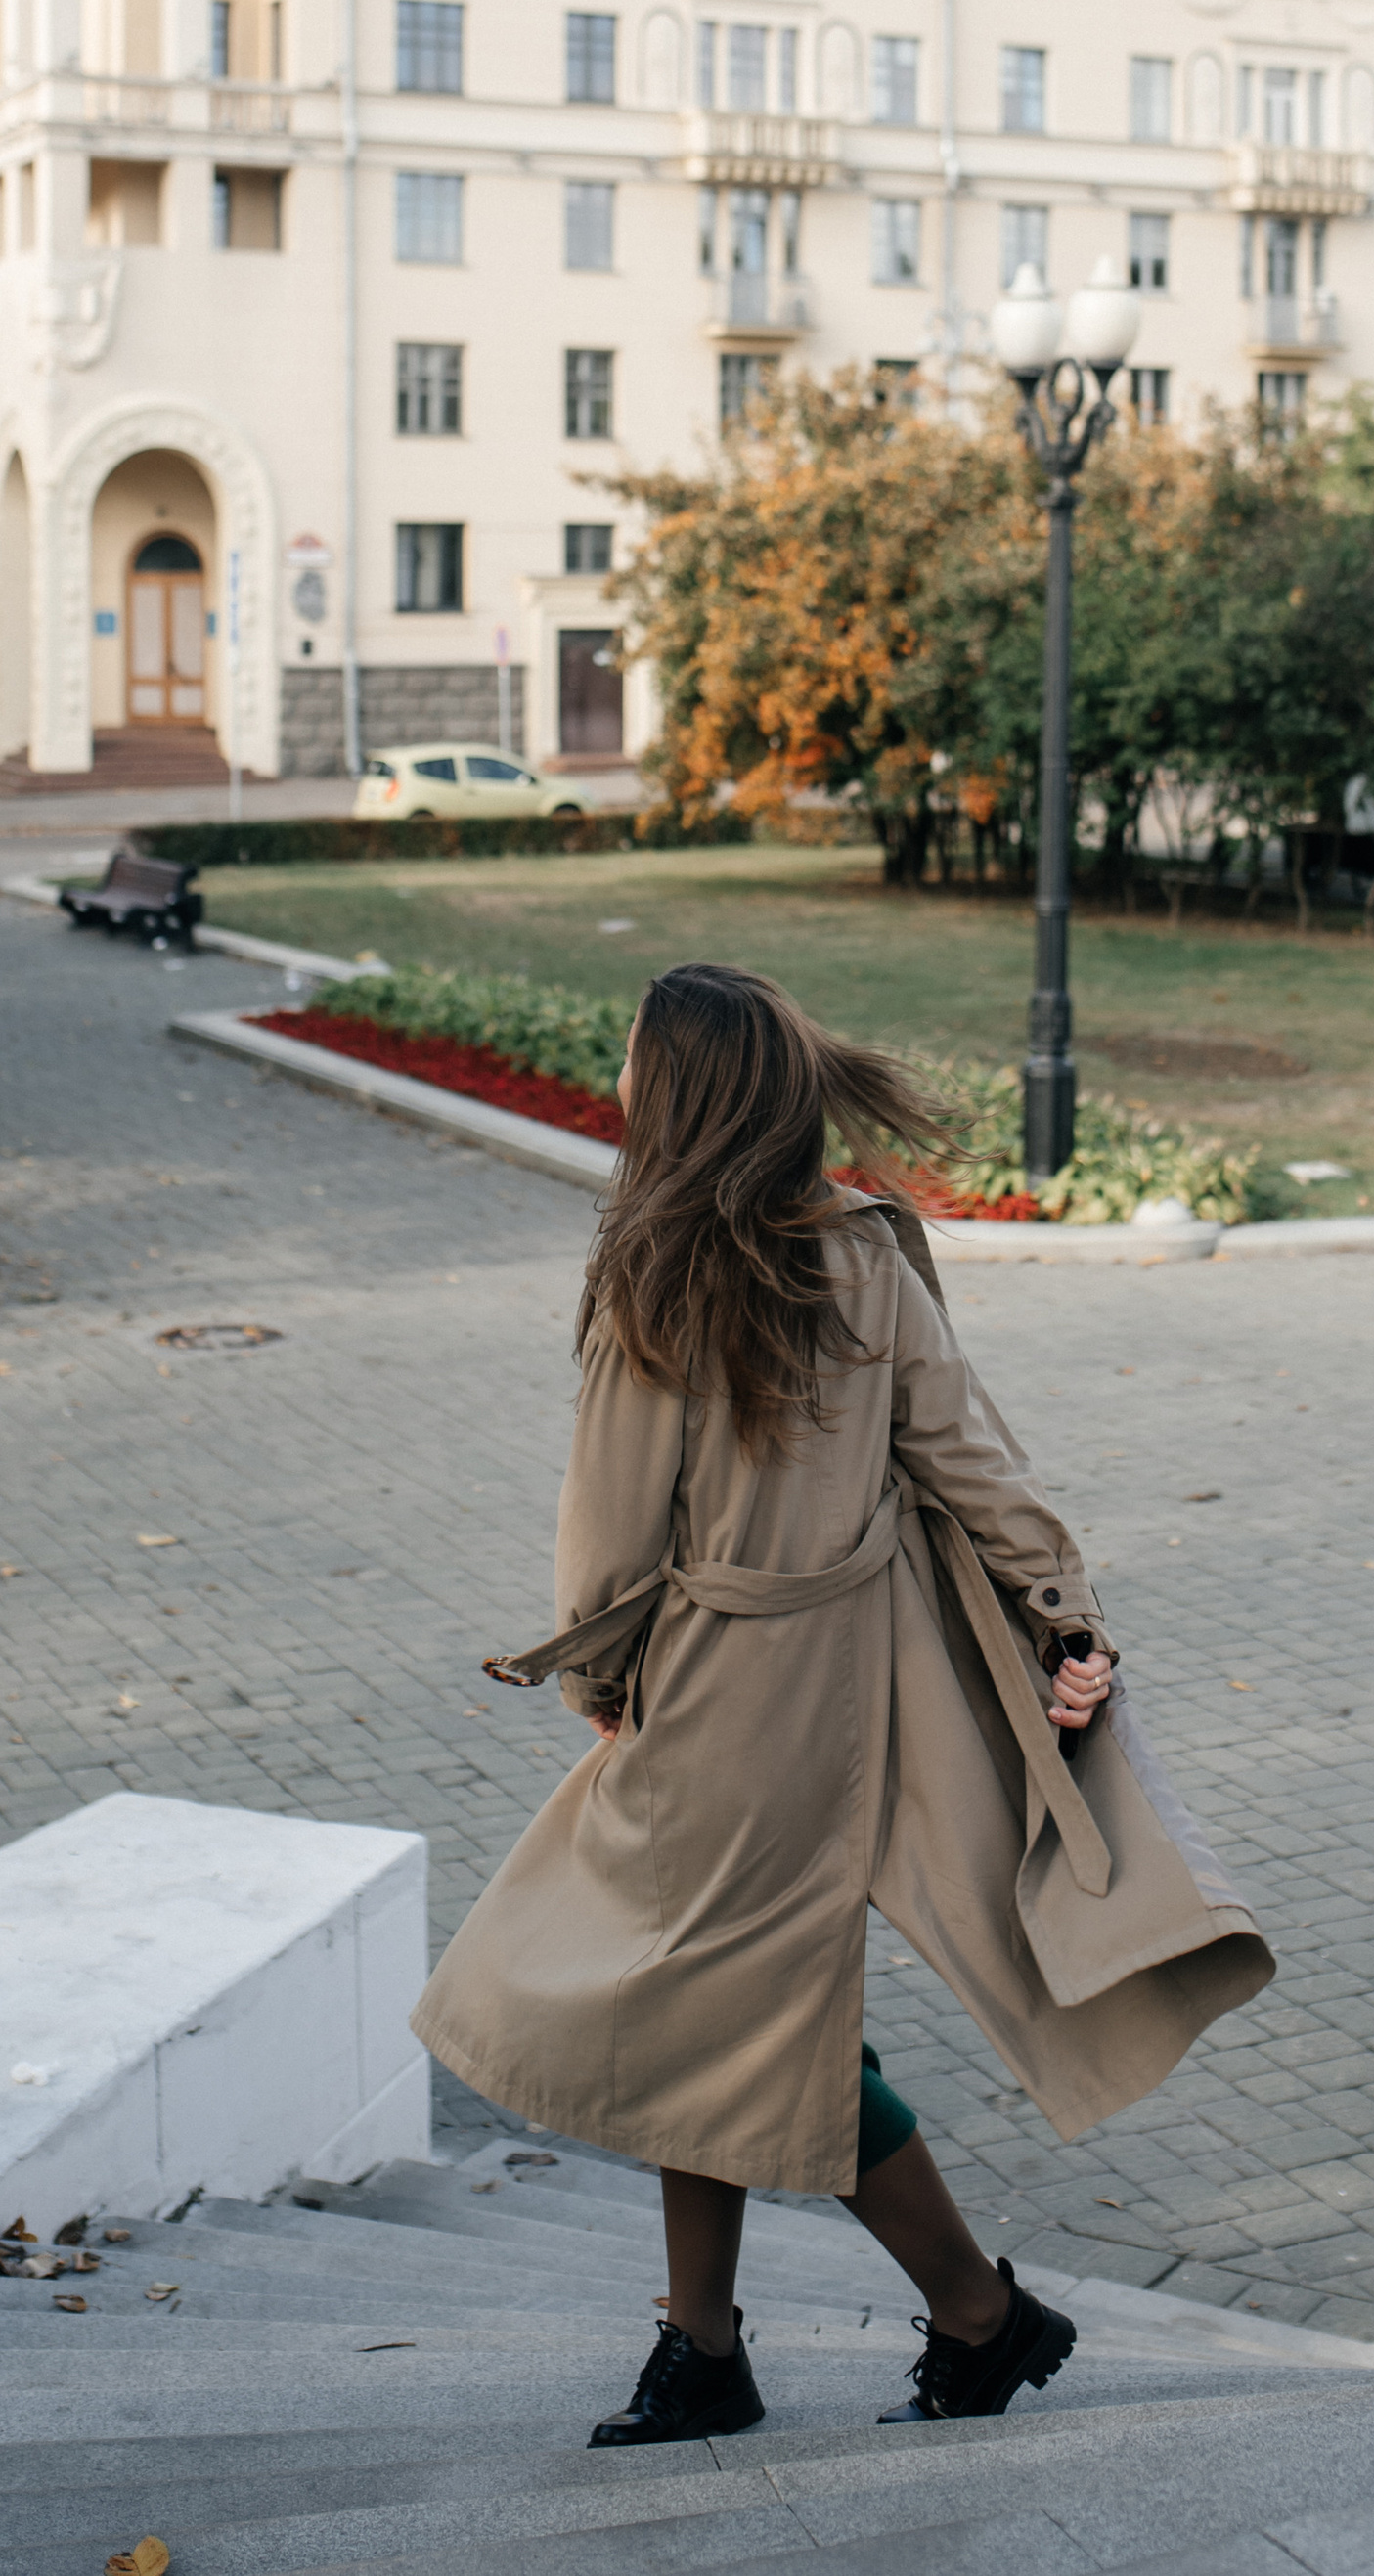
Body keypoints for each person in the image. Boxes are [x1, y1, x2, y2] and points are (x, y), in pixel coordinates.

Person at [412, 962, 1272, 2444]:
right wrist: (1064, 1609)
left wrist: (602, 1680)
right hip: (862, 1691)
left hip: (722, 1702)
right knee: (711, 2002)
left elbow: (609, 1533)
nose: (620, 1078)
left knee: (711, 1999)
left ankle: (963, 2316)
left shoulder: (656, 1274)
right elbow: (972, 1457)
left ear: (677, 1091)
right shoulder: (862, 1256)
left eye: (634, 1058)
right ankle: (727, 2341)